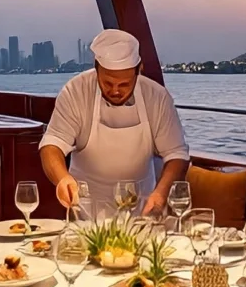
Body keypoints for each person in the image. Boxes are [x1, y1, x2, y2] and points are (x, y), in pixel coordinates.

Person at [38, 29, 189, 217]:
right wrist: (62, 179)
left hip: (143, 213)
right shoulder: (75, 91)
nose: (116, 91)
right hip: (85, 213)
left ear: (139, 70)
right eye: (107, 83)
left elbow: (177, 154)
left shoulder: (157, 97)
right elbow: (52, 145)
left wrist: (161, 194)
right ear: (96, 67)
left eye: (124, 84)